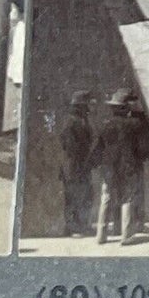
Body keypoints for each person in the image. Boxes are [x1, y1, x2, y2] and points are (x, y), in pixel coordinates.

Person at [91, 90, 149, 245]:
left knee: (106, 198)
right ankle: (126, 235)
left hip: (109, 168)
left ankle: (101, 235)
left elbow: (98, 148)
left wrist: (94, 163)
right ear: (127, 108)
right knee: (127, 198)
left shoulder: (106, 125)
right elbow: (143, 148)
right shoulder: (135, 125)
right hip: (128, 166)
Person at [58, 91, 95, 237]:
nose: (88, 109)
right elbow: (69, 145)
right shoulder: (71, 121)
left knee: (84, 196)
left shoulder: (81, 120)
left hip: (81, 165)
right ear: (80, 106)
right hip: (73, 165)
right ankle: (73, 227)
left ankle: (81, 225)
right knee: (73, 196)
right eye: (86, 105)